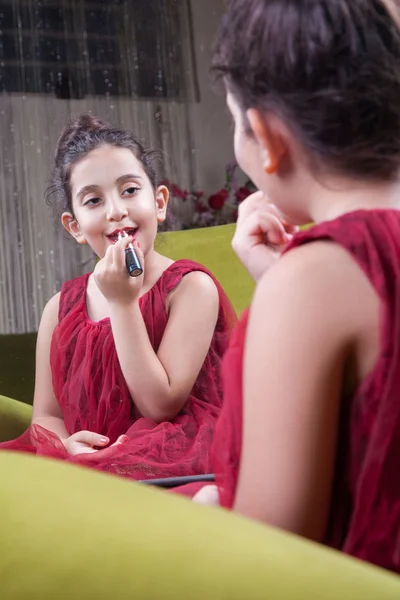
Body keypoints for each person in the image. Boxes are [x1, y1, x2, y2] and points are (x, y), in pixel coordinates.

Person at [192, 0, 400, 573]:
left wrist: (209, 509)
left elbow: (275, 554)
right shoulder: (328, 277)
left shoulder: (312, 282)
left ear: (265, 136)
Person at [1, 113, 235, 480]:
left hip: (172, 456)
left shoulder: (191, 288)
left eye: (129, 190)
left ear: (159, 202)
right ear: (74, 226)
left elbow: (160, 406)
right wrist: (64, 446)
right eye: (93, 201)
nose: (116, 211)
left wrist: (123, 303)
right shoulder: (58, 311)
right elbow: (47, 415)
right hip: (86, 462)